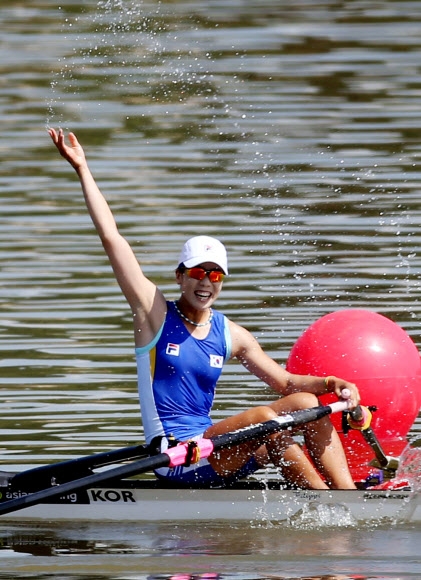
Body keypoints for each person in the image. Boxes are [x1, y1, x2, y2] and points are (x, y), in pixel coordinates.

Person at [49, 128, 360, 490]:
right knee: (262, 417)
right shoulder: (154, 316)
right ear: (180, 277)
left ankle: (344, 496)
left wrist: (331, 383)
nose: (206, 282)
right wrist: (83, 169)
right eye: (197, 273)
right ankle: (326, 506)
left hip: (217, 449)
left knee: (305, 401)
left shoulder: (231, 334)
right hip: (176, 458)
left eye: (215, 276)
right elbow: (112, 238)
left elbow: (285, 382)